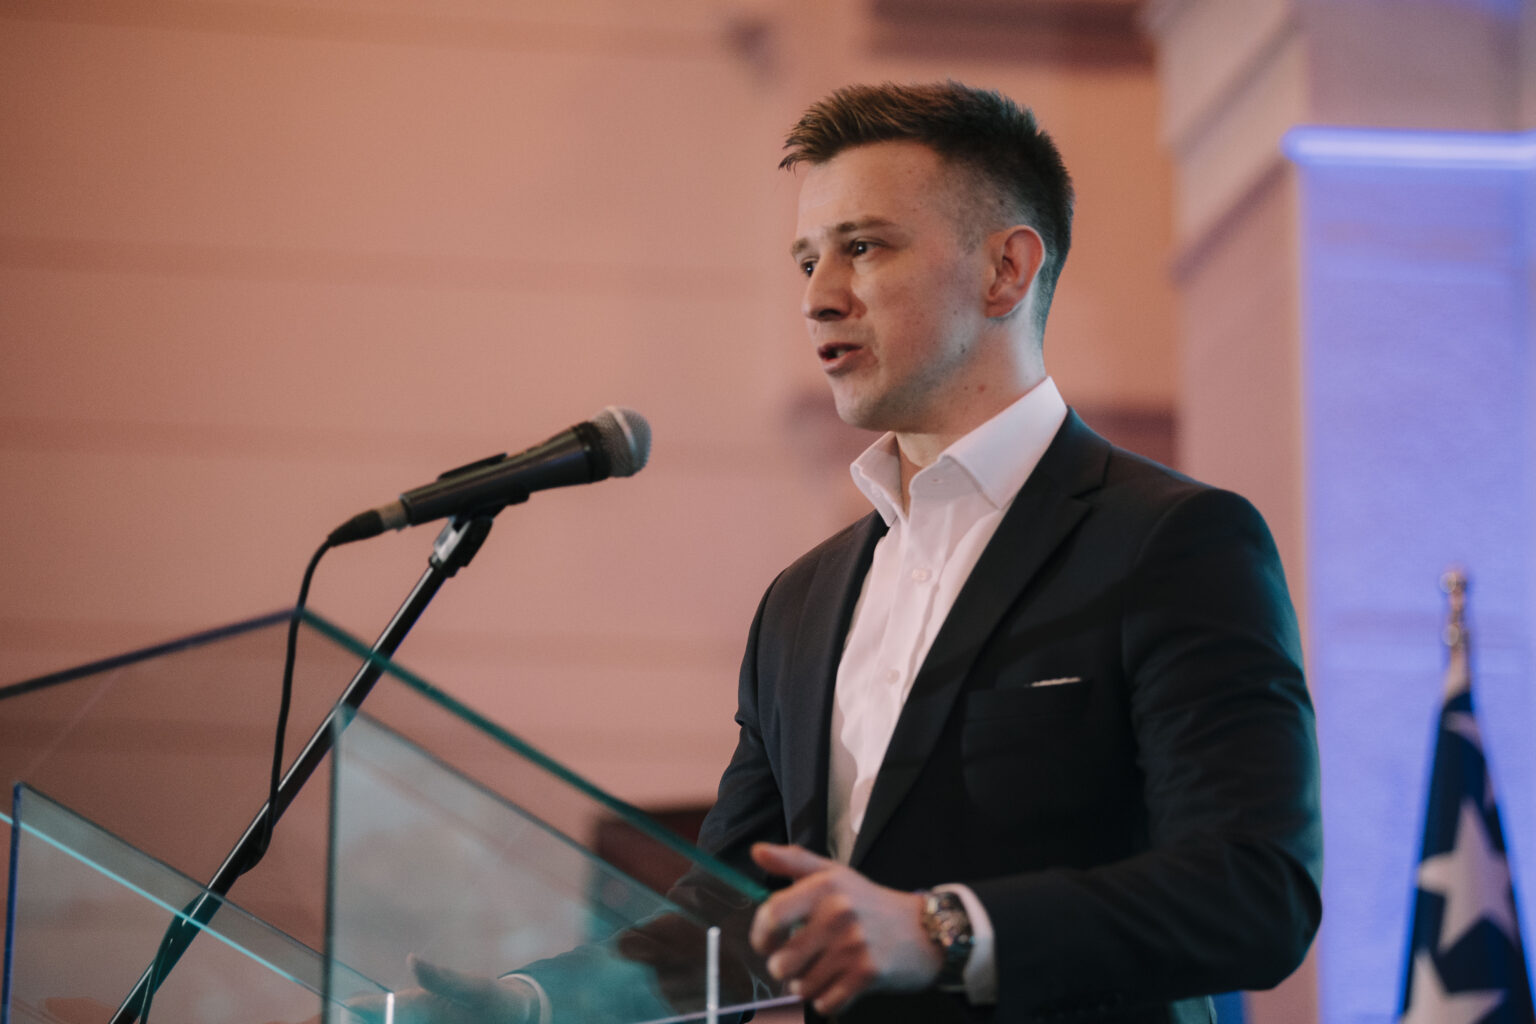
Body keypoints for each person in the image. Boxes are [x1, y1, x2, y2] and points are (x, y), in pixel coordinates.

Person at [401, 80, 1322, 1024]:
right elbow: (734, 919)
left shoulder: (1172, 541)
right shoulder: (800, 603)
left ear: (1005, 270)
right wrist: (531, 1005)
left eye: (864, 248)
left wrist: (940, 930)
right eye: (808, 260)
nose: (817, 298)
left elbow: (1257, 891)